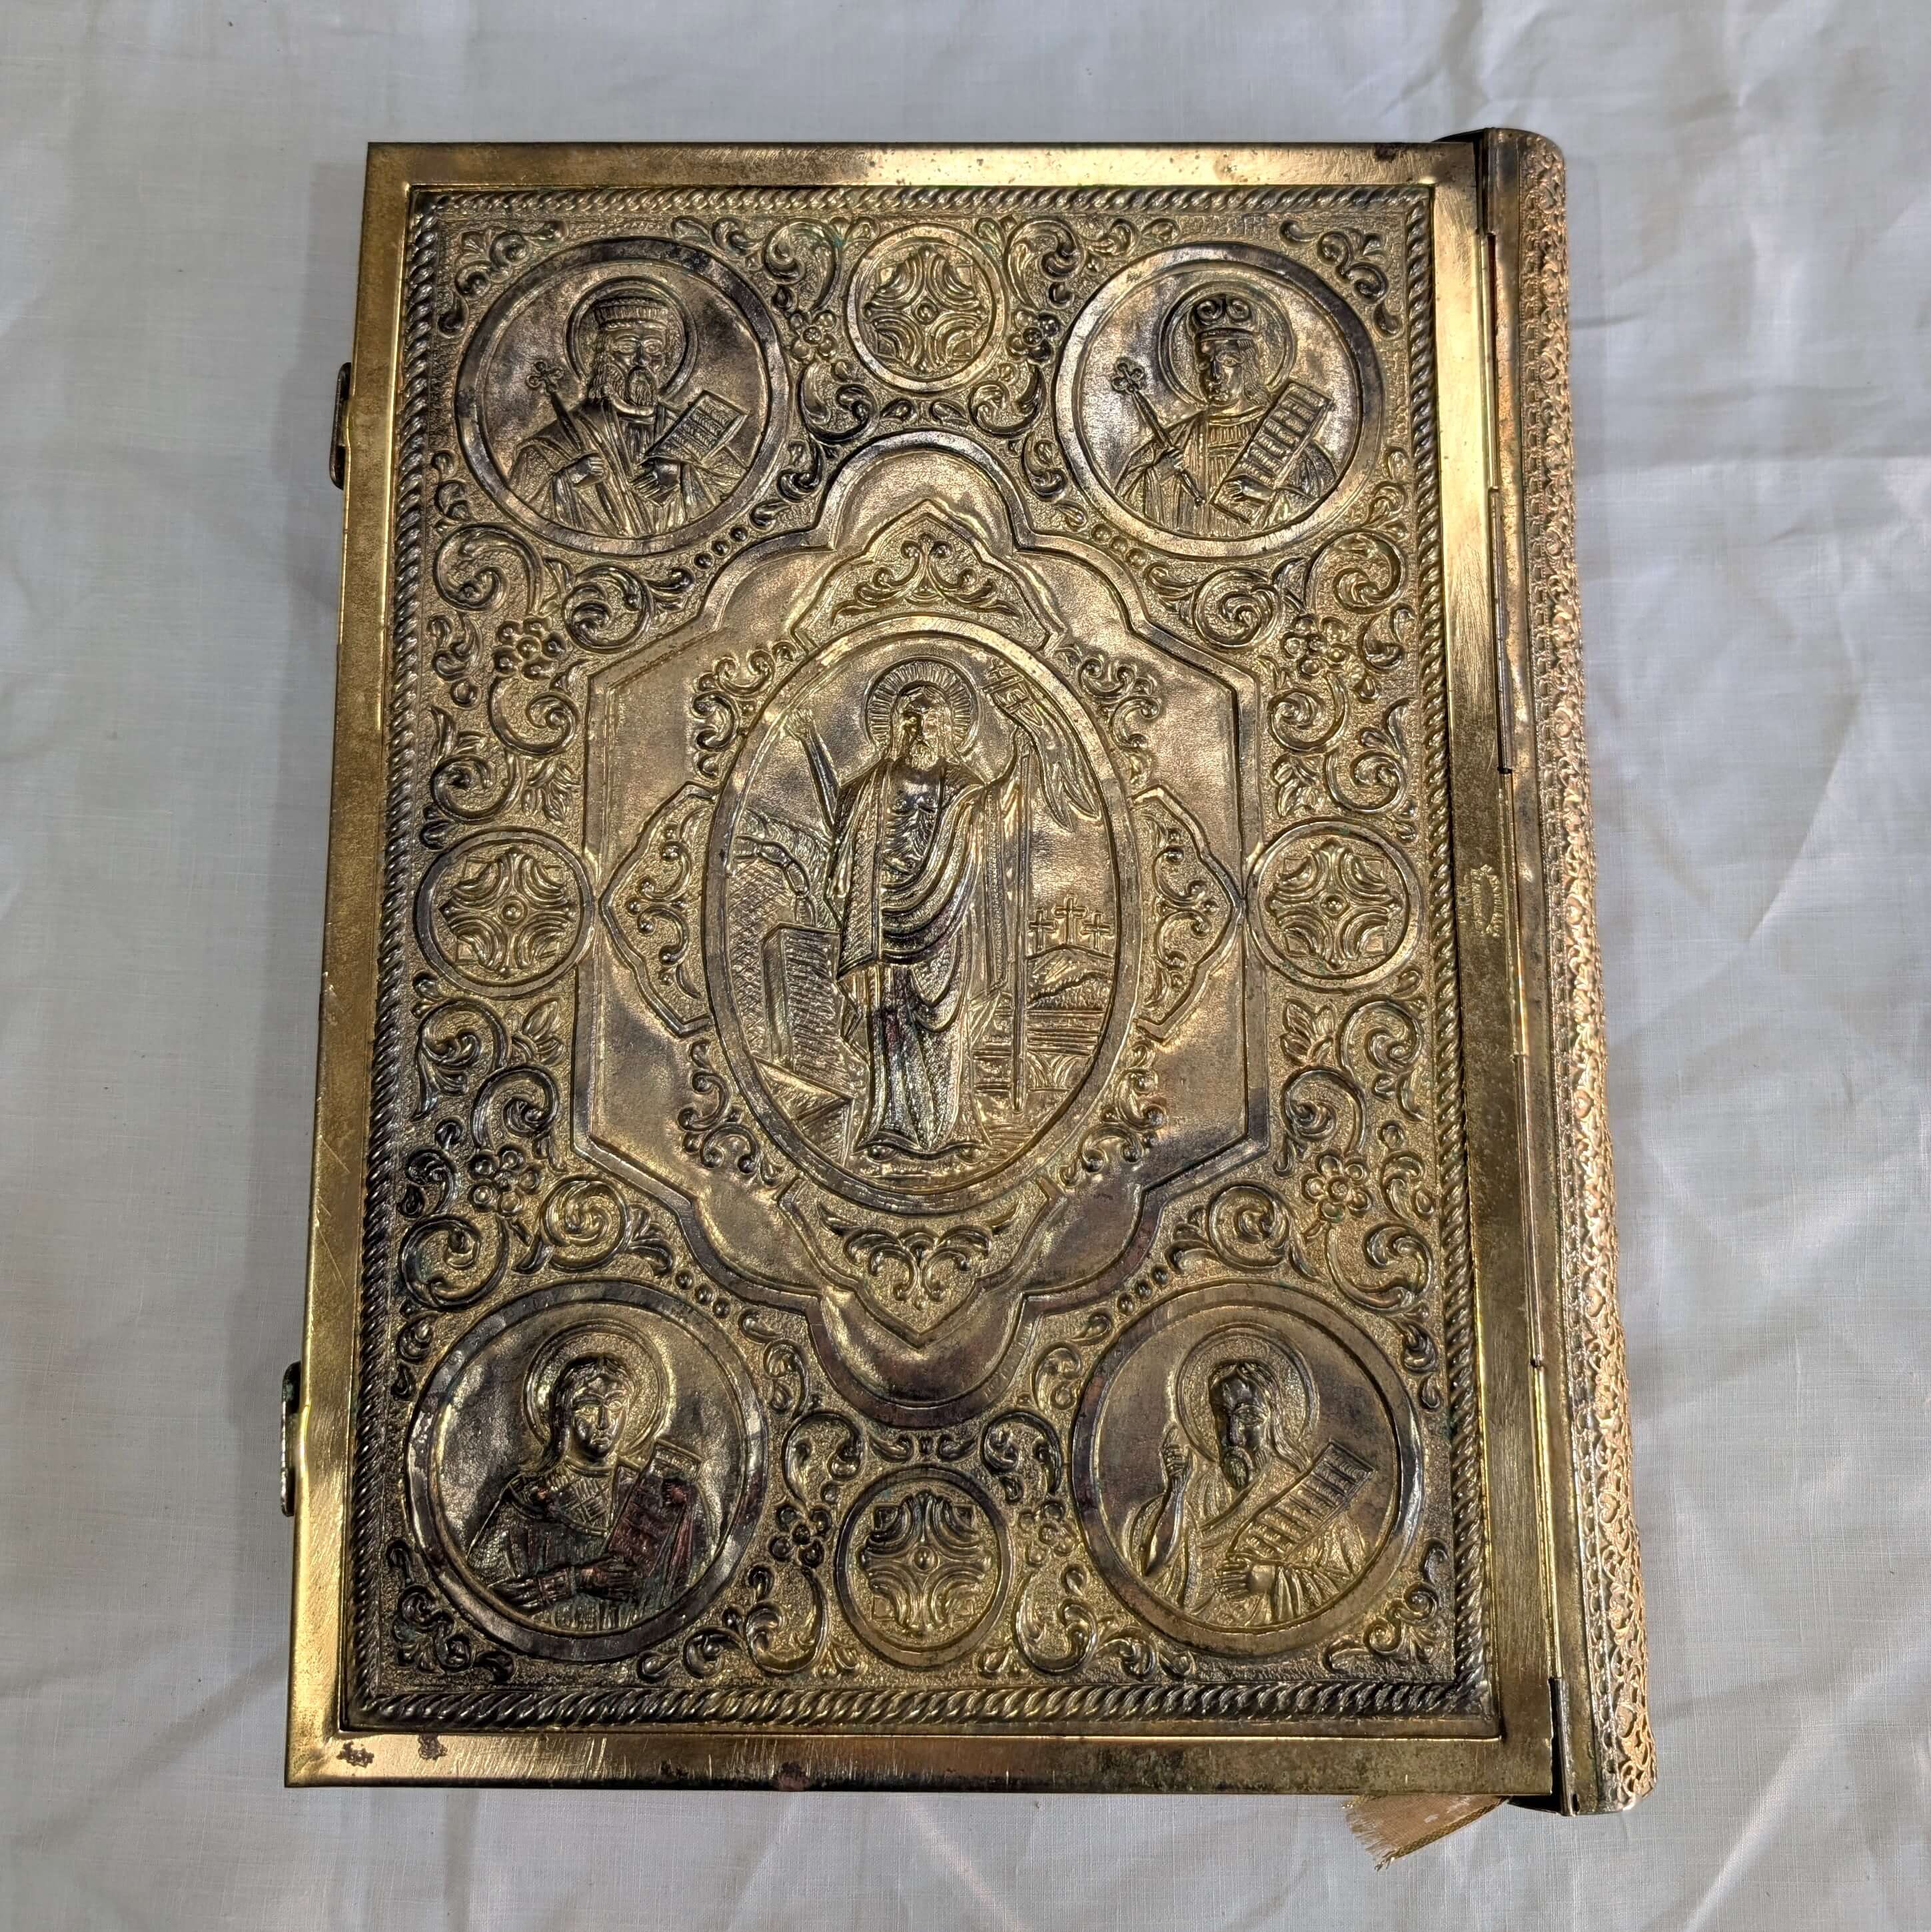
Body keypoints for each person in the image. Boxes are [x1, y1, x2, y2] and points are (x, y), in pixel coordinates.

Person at [801, 659, 1009, 1164]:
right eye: (911, 717)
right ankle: (890, 1125)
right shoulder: (869, 787)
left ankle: (955, 1127)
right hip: (883, 922)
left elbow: (1002, 814)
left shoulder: (965, 790)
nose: (922, 728)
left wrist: (1024, 748)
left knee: (948, 1028)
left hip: (948, 924)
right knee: (889, 1023)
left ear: (949, 728)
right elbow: (841, 834)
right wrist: (811, 744)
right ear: (895, 725)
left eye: (932, 718)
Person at [467, 1337, 708, 1634]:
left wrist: (688, 1511)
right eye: (590, 1406)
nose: (605, 1421)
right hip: (547, 1639)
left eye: (615, 1404)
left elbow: (686, 1585)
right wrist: (577, 1580)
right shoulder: (529, 1494)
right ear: (564, 1414)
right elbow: (479, 1593)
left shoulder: (648, 1489)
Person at [1129, 1342, 1370, 1630]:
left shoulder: (1315, 1497)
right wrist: (1176, 1493)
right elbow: (1151, 1573)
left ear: (1275, 1421)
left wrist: (1270, 1579)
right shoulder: (1199, 1492)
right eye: (1222, 1415)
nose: (1232, 1435)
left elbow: (1348, 1589)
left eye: (1248, 1417)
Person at [507, 278, 742, 539]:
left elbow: (737, 491)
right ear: (603, 357)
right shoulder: (558, 440)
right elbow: (518, 512)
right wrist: (569, 478)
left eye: (654, 347)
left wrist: (682, 471)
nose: (642, 360)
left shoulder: (686, 430)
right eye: (628, 346)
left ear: (665, 357)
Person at [1114, 284, 1339, 539]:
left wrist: (1265, 495)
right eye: (1204, 363)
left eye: (1229, 362)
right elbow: (1123, 507)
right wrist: (1157, 475)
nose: (1215, 376)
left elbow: (1324, 512)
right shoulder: (1175, 441)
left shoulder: (1286, 437)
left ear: (1250, 368)